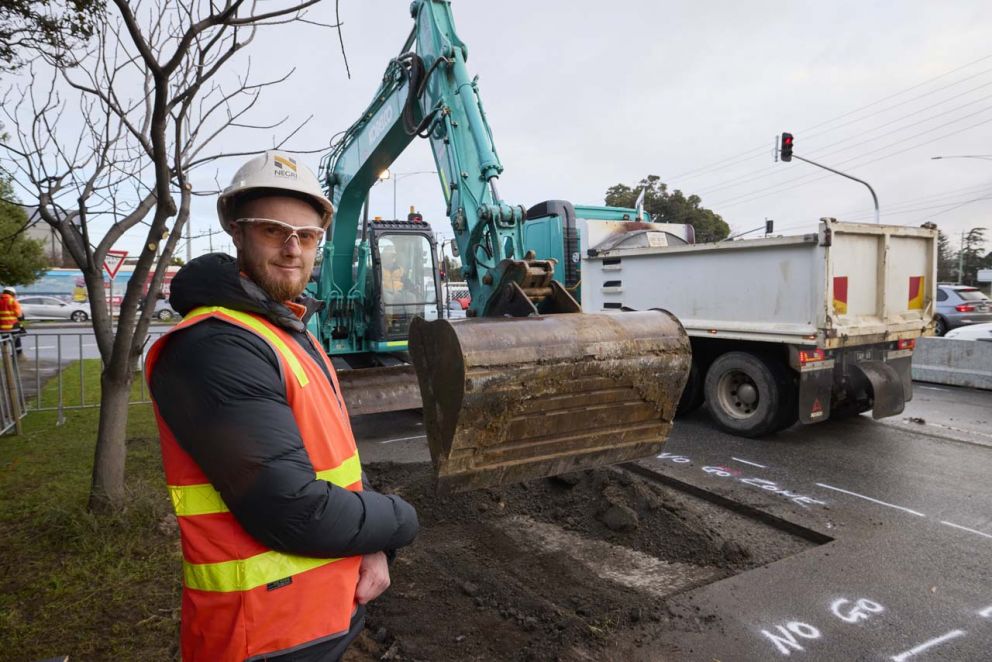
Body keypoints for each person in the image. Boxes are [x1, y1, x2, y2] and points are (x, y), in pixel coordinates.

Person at [145, 151, 419, 662]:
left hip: (318, 614)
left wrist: (369, 544)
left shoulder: (286, 334)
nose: (293, 249)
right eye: (273, 231)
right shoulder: (216, 346)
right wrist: (402, 521)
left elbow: (330, 472)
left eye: (307, 236)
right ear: (236, 232)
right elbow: (293, 510)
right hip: (262, 636)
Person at [0, 286, 24, 355]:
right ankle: (18, 355)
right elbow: (19, 315)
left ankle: (6, 356)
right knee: (16, 340)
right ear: (12, 293)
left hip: (2, 327)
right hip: (13, 326)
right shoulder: (13, 301)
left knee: (5, 341)